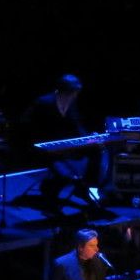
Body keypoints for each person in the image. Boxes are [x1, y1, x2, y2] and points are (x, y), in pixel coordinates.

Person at [21, 74, 104, 208]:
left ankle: (90, 186)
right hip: (43, 149)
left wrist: (88, 139)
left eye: (75, 93)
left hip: (63, 147)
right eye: (71, 93)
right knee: (66, 172)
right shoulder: (43, 102)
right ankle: (50, 188)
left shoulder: (71, 105)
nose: (74, 96)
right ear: (62, 91)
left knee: (95, 149)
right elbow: (26, 126)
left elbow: (77, 125)